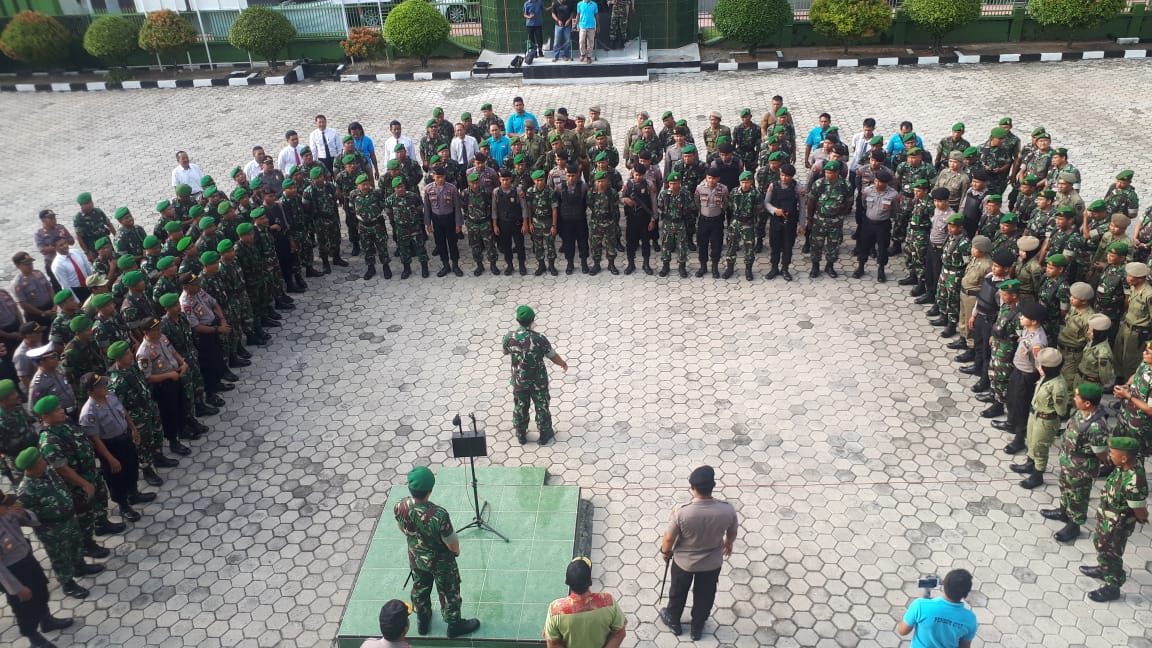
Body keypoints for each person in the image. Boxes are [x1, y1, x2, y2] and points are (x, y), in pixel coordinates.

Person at [393, 467, 480, 638]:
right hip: (441, 562)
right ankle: (454, 625)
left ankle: (423, 621)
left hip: (416, 557)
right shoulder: (438, 515)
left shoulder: (400, 506)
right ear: (430, 490)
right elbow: (451, 542)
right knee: (448, 591)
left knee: (420, 587)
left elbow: (402, 528)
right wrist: (456, 552)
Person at [659, 465, 738, 641]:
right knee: (705, 594)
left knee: (678, 591)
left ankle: (673, 619)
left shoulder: (682, 513)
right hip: (712, 563)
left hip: (684, 563)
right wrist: (728, 543)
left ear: (692, 488)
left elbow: (668, 538)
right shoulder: (727, 510)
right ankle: (697, 626)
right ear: (713, 485)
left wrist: (665, 552)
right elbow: (732, 531)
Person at [0, 486, 74, 648]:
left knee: (41, 590)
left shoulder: (8, 512)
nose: (8, 506)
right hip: (12, 571)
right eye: (4, 505)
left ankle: (46, 620)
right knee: (24, 607)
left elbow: (32, 521)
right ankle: (33, 637)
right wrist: (16, 589)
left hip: (28, 560)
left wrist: (24, 513)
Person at [1080, 436, 1148, 602]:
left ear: (1124, 458)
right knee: (1101, 545)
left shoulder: (1134, 481)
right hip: (1107, 519)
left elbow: (1140, 510)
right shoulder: (1122, 467)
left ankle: (1112, 586)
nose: (1109, 455)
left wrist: (1140, 519)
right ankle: (1103, 568)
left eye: (1112, 453)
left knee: (1111, 554)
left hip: (1117, 526)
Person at [1041, 382, 1109, 543]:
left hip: (1081, 469)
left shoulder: (1096, 426)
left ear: (1087, 403)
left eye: (1077, 397)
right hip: (1069, 462)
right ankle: (1063, 512)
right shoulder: (1081, 412)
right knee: (1065, 488)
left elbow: (1101, 453)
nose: (1074, 398)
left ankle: (1074, 525)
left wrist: (1091, 466)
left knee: (1078, 496)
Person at [503, 306, 567, 444]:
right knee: (541, 406)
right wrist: (563, 363)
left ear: (517, 320)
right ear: (532, 320)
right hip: (538, 382)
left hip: (519, 381)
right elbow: (552, 355)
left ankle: (521, 433)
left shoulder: (509, 337)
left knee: (520, 406)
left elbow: (506, 351)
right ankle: (545, 434)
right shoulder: (539, 338)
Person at [543, 557, 626, 648]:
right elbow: (619, 634)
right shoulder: (608, 601)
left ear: (566, 582)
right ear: (590, 582)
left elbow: (553, 643)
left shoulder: (556, 610)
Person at [895, 568, 977, 648]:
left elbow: (902, 631)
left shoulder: (920, 605)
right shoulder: (970, 619)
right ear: (966, 594)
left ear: (943, 585)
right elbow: (964, 646)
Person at [49, 239, 92, 304]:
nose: (65, 246)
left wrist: (94, 284)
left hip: (89, 284)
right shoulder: (57, 264)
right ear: (55, 248)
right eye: (61, 245)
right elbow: (65, 285)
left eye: (65, 243)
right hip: (77, 290)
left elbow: (87, 268)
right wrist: (76, 301)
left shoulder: (76, 252)